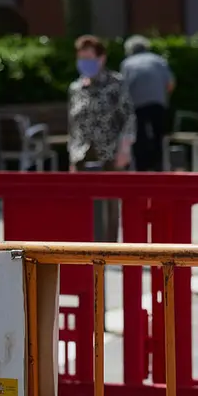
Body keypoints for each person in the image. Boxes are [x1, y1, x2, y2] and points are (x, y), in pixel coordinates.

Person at [67, 35, 136, 241]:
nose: (84, 63)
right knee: (82, 203)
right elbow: (72, 125)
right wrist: (71, 156)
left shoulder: (116, 83)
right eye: (81, 58)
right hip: (82, 152)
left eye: (89, 58)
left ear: (101, 58)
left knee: (110, 204)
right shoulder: (76, 88)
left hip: (110, 151)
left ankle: (109, 247)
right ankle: (84, 246)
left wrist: (125, 148)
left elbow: (129, 117)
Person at [119, 35, 175, 171]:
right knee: (158, 135)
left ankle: (141, 168)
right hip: (158, 103)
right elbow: (171, 83)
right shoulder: (158, 60)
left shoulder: (127, 63)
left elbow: (122, 88)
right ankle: (159, 165)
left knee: (139, 136)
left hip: (137, 105)